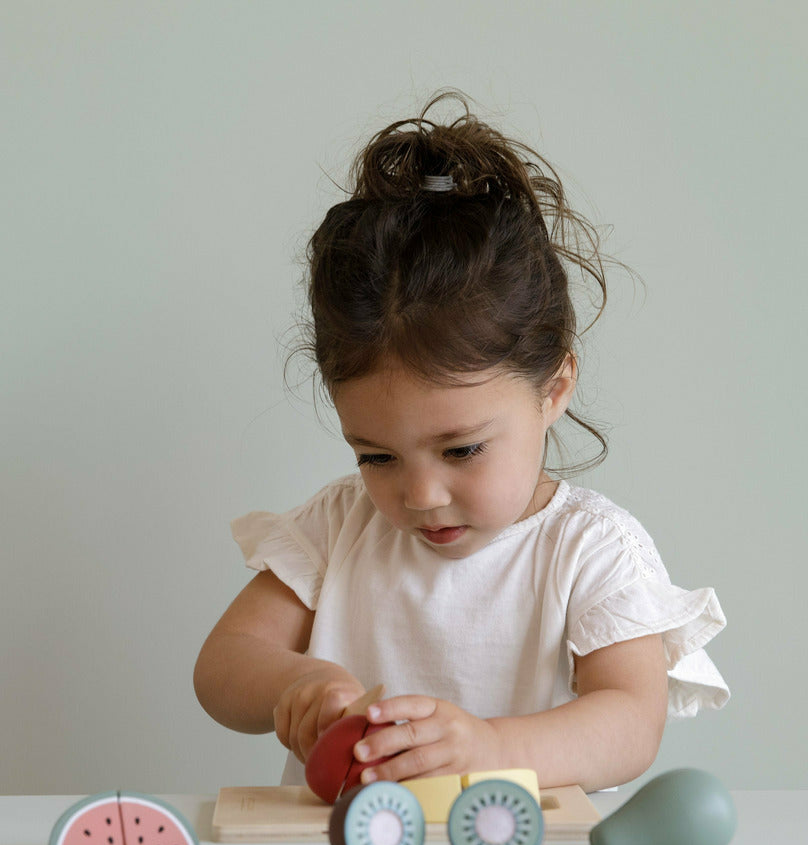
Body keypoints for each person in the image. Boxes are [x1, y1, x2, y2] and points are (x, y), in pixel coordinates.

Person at [193, 91, 728, 793]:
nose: (419, 494)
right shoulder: (337, 529)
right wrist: (297, 681)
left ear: (554, 389)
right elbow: (222, 665)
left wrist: (487, 747)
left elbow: (630, 722)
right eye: (376, 456)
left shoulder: (590, 550)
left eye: (462, 450)